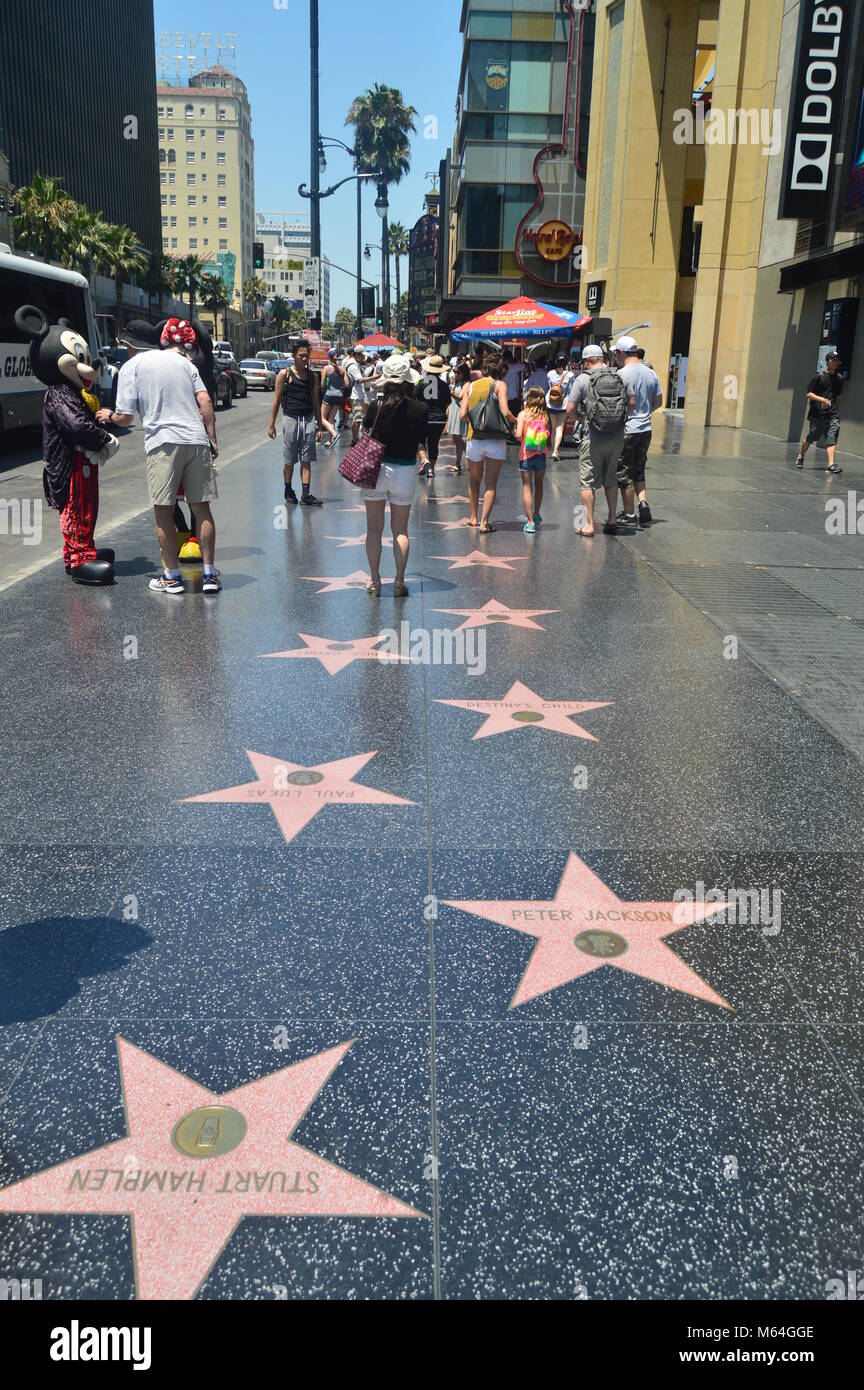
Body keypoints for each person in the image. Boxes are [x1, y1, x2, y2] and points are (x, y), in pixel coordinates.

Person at [100, 319, 221, 593]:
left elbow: (125, 417)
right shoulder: (185, 364)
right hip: (197, 441)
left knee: (163, 513)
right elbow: (206, 402)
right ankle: (210, 575)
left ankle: (171, 577)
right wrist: (211, 438)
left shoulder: (131, 367)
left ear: (130, 346)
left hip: (164, 443)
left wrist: (109, 415)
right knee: (201, 508)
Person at [360, 353, 429, 597]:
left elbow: (366, 431)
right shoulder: (421, 409)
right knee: (400, 530)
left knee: (374, 529)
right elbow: (421, 439)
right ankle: (399, 581)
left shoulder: (376, 406)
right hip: (404, 472)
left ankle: (375, 581)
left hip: (376, 469)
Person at [565, 343, 632, 538]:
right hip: (617, 436)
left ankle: (589, 524)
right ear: (602, 359)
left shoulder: (582, 379)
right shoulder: (620, 376)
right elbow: (632, 403)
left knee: (587, 482)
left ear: (586, 361)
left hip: (592, 436)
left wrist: (581, 418)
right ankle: (612, 519)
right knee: (611, 479)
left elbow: (570, 409)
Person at [267, 339, 333, 506]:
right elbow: (276, 401)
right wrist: (271, 424)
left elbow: (316, 402)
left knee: (306, 459)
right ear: (294, 356)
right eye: (301, 356)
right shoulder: (284, 375)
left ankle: (306, 493)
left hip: (308, 419)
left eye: (307, 356)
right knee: (289, 460)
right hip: (290, 420)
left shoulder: (312, 377)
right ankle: (288, 489)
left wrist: (319, 426)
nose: (305, 359)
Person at [460, 352, 517, 533]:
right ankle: (485, 523)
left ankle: (473, 517)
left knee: (474, 480)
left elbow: (462, 416)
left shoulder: (470, 385)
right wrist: (516, 420)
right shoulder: (499, 385)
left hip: (474, 439)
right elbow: (505, 410)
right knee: (490, 483)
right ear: (501, 370)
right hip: (495, 440)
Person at [613, 335, 662, 527]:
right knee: (639, 468)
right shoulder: (651, 373)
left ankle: (629, 513)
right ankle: (643, 502)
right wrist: (645, 412)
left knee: (624, 472)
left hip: (627, 429)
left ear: (622, 353)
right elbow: (658, 402)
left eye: (616, 353)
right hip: (646, 429)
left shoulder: (621, 374)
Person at [796, 350, 844, 474]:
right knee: (811, 437)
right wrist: (822, 399)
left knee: (832, 438)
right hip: (817, 414)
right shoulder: (819, 376)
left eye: (837, 360)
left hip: (832, 414)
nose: (835, 362)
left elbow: (838, 397)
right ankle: (801, 456)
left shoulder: (839, 378)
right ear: (828, 361)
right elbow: (809, 394)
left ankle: (831, 464)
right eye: (833, 360)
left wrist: (836, 413)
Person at [515, 387, 549, 535]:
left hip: (526, 455)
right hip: (541, 454)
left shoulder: (523, 415)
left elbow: (518, 435)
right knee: (539, 484)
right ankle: (536, 514)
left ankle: (530, 523)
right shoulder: (544, 416)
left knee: (527, 488)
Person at [416, 355, 452, 480]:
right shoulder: (444, 385)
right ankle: (431, 469)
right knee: (433, 443)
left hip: (424, 417)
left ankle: (424, 459)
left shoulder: (421, 384)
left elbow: (415, 399)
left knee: (420, 441)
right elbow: (448, 402)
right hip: (439, 419)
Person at [445, 361, 471, 474]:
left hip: (460, 411)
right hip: (454, 410)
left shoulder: (467, 384)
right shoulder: (457, 383)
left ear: (464, 373)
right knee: (456, 439)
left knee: (459, 439)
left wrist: (451, 394)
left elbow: (460, 397)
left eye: (458, 372)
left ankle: (464, 461)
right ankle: (463, 461)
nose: (455, 374)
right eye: (454, 372)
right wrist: (449, 407)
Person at [545, 354, 571, 459]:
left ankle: (553, 450)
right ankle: (556, 451)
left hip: (551, 403)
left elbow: (549, 387)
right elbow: (571, 390)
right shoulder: (569, 375)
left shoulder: (550, 374)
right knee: (560, 428)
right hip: (563, 404)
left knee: (553, 428)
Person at [320, 347, 345, 445]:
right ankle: (330, 440)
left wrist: (326, 385)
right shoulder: (342, 369)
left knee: (321, 418)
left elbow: (322, 384)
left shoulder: (326, 368)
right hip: (339, 395)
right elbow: (346, 383)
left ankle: (334, 434)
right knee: (331, 418)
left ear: (329, 357)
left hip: (329, 394)